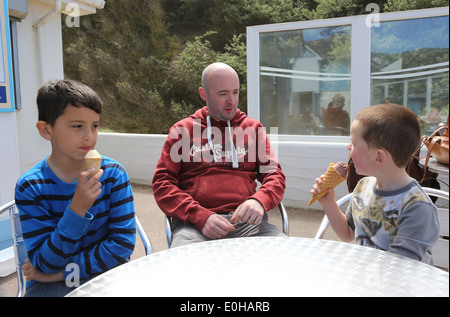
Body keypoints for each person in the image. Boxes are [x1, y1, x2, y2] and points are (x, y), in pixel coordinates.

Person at [15, 80, 136, 296]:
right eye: (77, 126)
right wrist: (77, 210)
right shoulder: (31, 186)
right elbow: (44, 262)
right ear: (46, 130)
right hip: (50, 286)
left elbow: (122, 247)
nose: (89, 135)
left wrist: (60, 273)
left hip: (107, 273)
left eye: (95, 125)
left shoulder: (114, 174)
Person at [152, 62, 286, 247]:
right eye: (223, 94)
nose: (231, 100)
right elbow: (162, 184)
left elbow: (275, 176)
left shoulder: (253, 129)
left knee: (285, 258)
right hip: (195, 226)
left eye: (235, 92)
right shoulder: (182, 130)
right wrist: (200, 216)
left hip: (248, 225)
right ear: (203, 94)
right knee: (184, 268)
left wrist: (259, 201)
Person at [311, 103, 439, 264]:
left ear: (378, 157)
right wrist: (329, 203)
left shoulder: (416, 208)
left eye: (354, 143)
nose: (348, 147)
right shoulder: (363, 187)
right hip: (369, 280)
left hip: (402, 285)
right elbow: (348, 233)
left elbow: (400, 268)